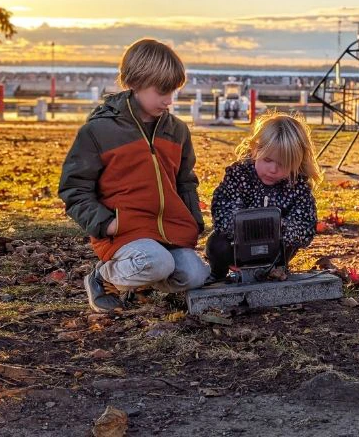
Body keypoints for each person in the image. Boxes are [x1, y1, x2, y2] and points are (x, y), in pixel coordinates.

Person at [59, 39, 209, 312]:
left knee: (195, 275)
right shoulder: (98, 131)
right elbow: (74, 188)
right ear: (136, 82)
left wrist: (194, 222)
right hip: (124, 233)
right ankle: (102, 277)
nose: (169, 100)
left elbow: (185, 181)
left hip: (169, 231)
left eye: (173, 91)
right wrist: (106, 224)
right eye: (162, 91)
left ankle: (138, 284)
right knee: (156, 263)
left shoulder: (177, 131)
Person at [205, 112, 321, 280]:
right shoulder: (240, 175)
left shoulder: (297, 186)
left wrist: (282, 228)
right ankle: (218, 275)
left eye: (283, 164)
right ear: (255, 150)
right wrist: (241, 227)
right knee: (216, 243)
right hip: (237, 244)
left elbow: (305, 223)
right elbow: (222, 205)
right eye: (267, 160)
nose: (273, 170)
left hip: (274, 248)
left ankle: (273, 270)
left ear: (296, 162)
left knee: (288, 245)